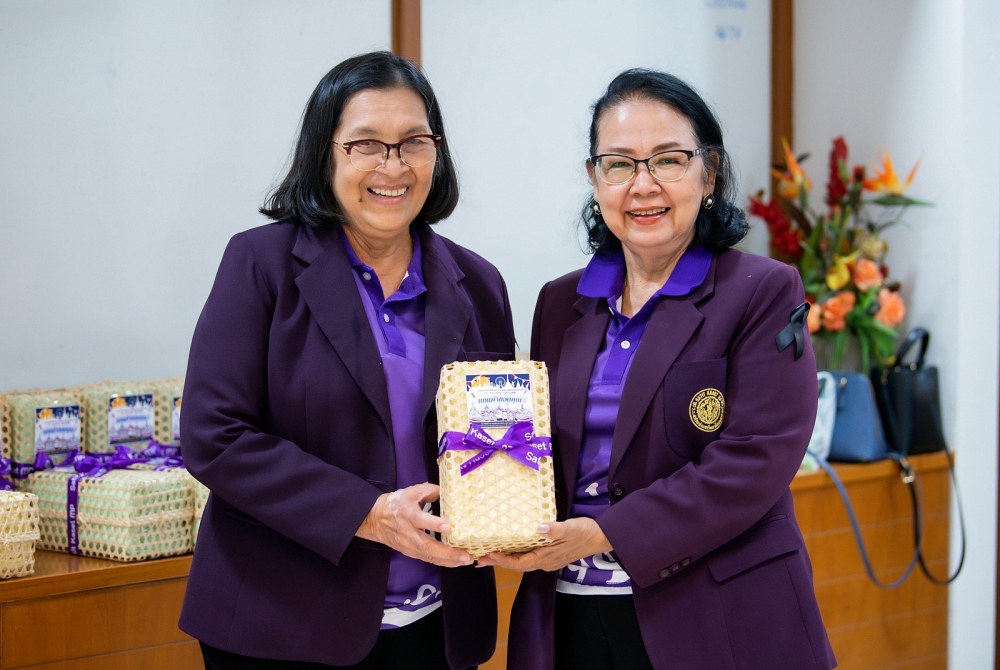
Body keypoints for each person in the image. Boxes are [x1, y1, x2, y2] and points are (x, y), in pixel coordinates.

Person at [480, 69, 836, 670]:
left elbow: (755, 459)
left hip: (713, 618)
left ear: (709, 172)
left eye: (668, 160)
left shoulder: (762, 291)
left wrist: (606, 533)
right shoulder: (560, 302)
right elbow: (536, 449)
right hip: (569, 616)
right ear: (595, 179)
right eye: (619, 164)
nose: (643, 185)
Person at [179, 51, 514, 669]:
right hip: (282, 625)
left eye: (414, 142)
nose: (394, 165)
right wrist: (369, 514)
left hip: (436, 625)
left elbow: (498, 436)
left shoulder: (479, 282)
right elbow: (213, 436)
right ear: (325, 154)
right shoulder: (262, 264)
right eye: (366, 144)